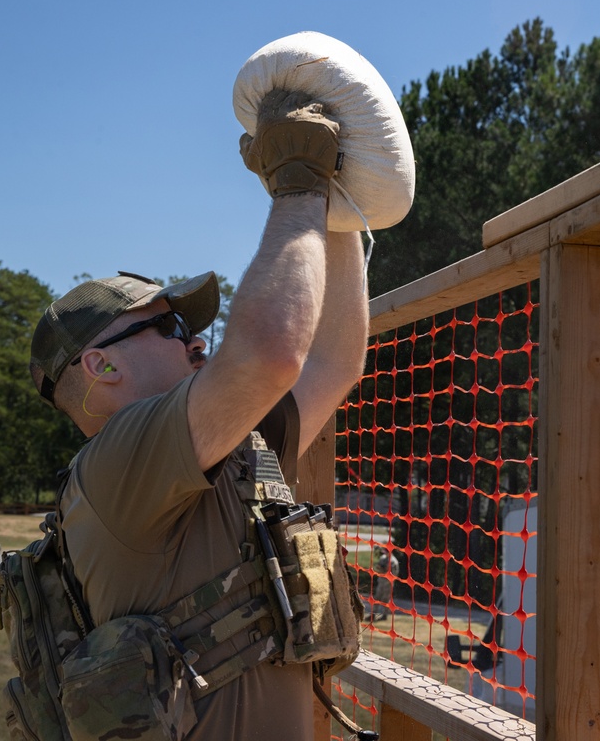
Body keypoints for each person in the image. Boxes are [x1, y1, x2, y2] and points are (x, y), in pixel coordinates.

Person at [28, 90, 369, 740]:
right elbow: (272, 353)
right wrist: (297, 183)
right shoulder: (119, 460)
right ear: (101, 367)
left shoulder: (224, 451)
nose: (197, 341)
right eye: (171, 325)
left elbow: (331, 364)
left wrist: (339, 210)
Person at [371, 545, 399, 621]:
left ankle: (385, 615)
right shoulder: (383, 558)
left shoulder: (393, 561)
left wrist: (383, 569)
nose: (385, 553)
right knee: (376, 597)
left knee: (385, 599)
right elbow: (378, 567)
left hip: (388, 583)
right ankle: (373, 615)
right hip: (381, 581)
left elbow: (392, 573)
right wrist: (378, 568)